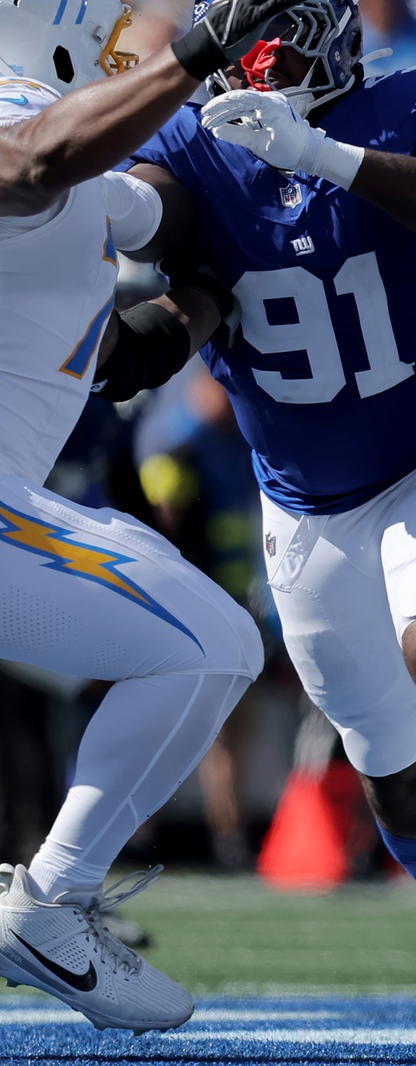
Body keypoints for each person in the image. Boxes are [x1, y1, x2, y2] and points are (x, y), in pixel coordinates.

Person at [114, 0, 416, 1039]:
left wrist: (322, 156)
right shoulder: (191, 141)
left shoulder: (406, 101)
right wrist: (112, 258)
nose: (266, 62)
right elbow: (168, 248)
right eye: (249, 38)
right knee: (399, 782)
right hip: (306, 497)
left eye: (286, 34)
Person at [0, 0, 311, 1032]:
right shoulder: (27, 123)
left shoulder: (77, 167)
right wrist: (198, 52)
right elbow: (32, 163)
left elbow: (138, 289)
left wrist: (220, 272)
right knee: (209, 644)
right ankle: (52, 905)